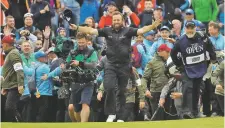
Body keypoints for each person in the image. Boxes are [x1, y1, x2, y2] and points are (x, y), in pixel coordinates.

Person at [69, 11, 161, 121]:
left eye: (118, 20)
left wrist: (153, 26)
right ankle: (111, 113)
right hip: (111, 64)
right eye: (114, 20)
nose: (116, 22)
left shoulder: (128, 30)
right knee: (109, 87)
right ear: (112, 21)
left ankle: (121, 117)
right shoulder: (106, 30)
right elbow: (91, 30)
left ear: (122, 21)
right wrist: (78, 28)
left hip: (124, 66)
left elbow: (142, 30)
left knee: (122, 91)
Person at [171, 21, 217, 118]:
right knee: (187, 88)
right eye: (188, 28)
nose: (190, 30)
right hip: (187, 69)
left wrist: (213, 57)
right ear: (185, 29)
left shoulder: (203, 36)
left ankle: (195, 112)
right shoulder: (180, 40)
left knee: (197, 90)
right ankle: (186, 112)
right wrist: (179, 65)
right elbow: (173, 53)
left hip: (200, 68)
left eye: (192, 28)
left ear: (195, 28)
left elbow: (210, 45)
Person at [66, 32, 98, 122]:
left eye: (82, 42)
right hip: (75, 81)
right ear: (76, 41)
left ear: (86, 41)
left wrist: (80, 63)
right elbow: (67, 64)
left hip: (88, 81)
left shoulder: (92, 52)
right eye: (79, 42)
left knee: (85, 104)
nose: (81, 44)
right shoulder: (72, 52)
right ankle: (77, 124)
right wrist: (66, 66)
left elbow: (94, 65)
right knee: (74, 108)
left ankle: (83, 125)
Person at [141, 44, 170, 120]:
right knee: (158, 119)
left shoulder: (170, 60)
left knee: (170, 118)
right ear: (160, 52)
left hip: (169, 92)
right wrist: (146, 90)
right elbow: (144, 78)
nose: (168, 52)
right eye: (166, 51)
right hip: (156, 93)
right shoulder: (152, 63)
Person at [1, 35, 24, 122]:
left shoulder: (13, 53)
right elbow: (9, 72)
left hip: (14, 85)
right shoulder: (11, 53)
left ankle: (19, 125)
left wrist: (20, 84)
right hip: (10, 85)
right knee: (10, 108)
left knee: (10, 108)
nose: (2, 46)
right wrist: (4, 87)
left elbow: (19, 70)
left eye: (2, 44)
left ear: (6, 44)